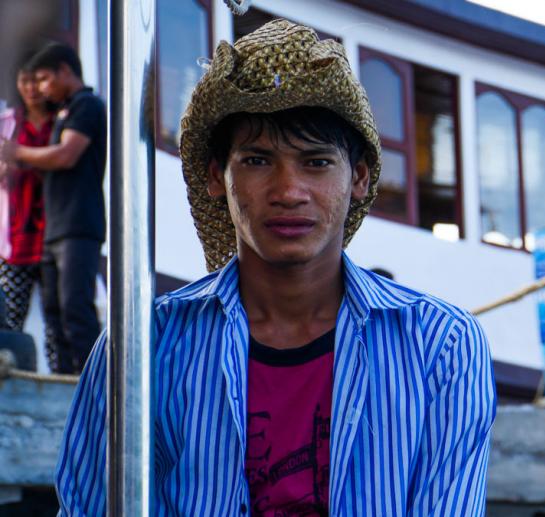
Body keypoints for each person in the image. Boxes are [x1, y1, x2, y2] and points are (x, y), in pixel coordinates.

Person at [56, 20, 496, 516]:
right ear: (215, 179)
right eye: (258, 161)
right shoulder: (140, 349)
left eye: (316, 162)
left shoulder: (441, 344)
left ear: (360, 177)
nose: (289, 191)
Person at [0, 43, 106, 373]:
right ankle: (65, 382)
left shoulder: (86, 105)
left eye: (45, 79)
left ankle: (91, 383)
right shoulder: (65, 110)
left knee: (76, 309)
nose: (42, 88)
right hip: (54, 229)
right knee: (55, 315)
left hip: (78, 225)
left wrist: (16, 152)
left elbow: (65, 154)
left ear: (65, 71)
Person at [0, 57, 51, 347]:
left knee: (57, 317)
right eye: (25, 80)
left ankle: (66, 377)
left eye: (37, 80)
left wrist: (18, 155)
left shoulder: (61, 122)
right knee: (11, 316)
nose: (31, 88)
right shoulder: (6, 123)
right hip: (14, 238)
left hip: (51, 235)